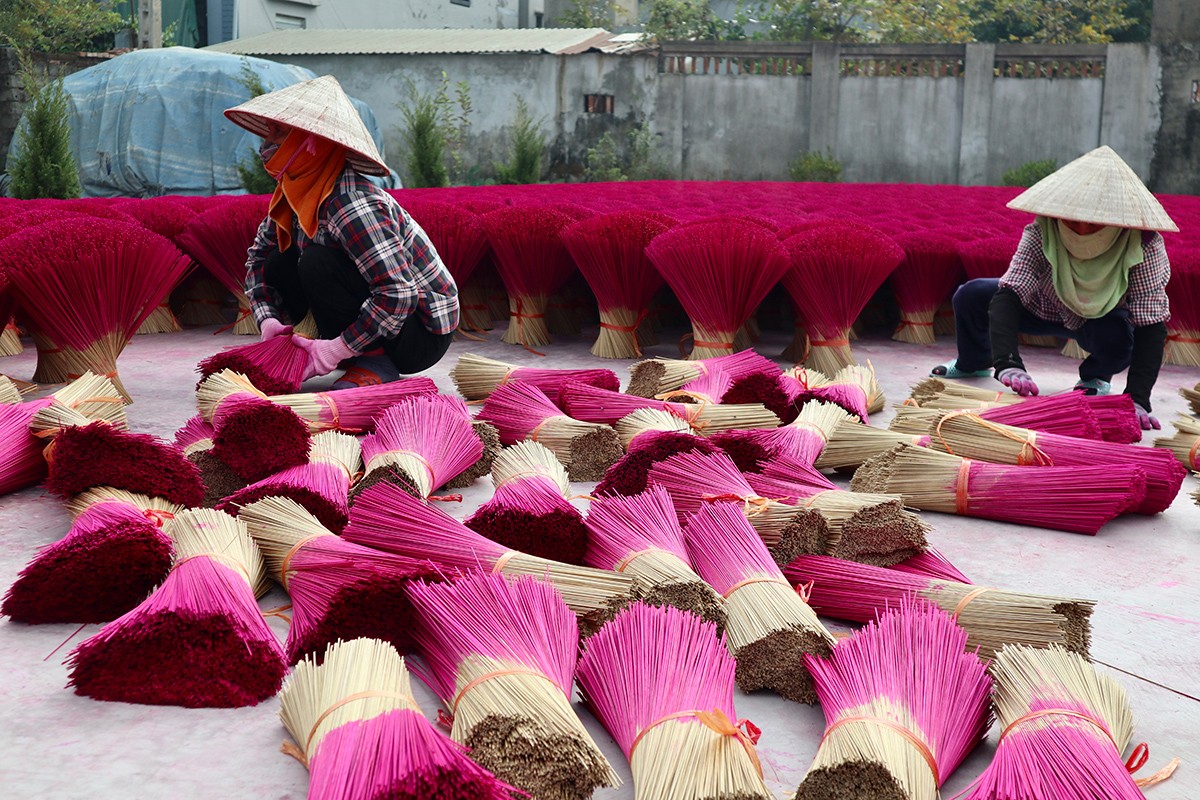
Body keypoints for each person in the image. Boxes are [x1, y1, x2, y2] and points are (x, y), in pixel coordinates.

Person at [224, 75, 458, 389]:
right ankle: (339, 350)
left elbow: (398, 295)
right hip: (376, 317)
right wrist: (268, 320)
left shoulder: (350, 203)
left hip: (419, 332)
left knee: (316, 261)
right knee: (278, 259)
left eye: (279, 132)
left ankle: (374, 361)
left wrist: (336, 349)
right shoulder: (294, 194)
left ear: (310, 143)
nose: (267, 145)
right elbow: (257, 263)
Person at [931, 146, 1178, 431]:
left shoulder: (1143, 246)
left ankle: (1095, 376)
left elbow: (1151, 323)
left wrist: (1137, 399)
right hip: (1043, 305)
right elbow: (1011, 291)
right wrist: (1007, 362)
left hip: (1100, 321)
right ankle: (974, 361)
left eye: (1095, 223)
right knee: (971, 295)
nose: (1082, 231)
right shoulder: (1042, 231)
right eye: (1073, 220)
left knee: (1121, 338)